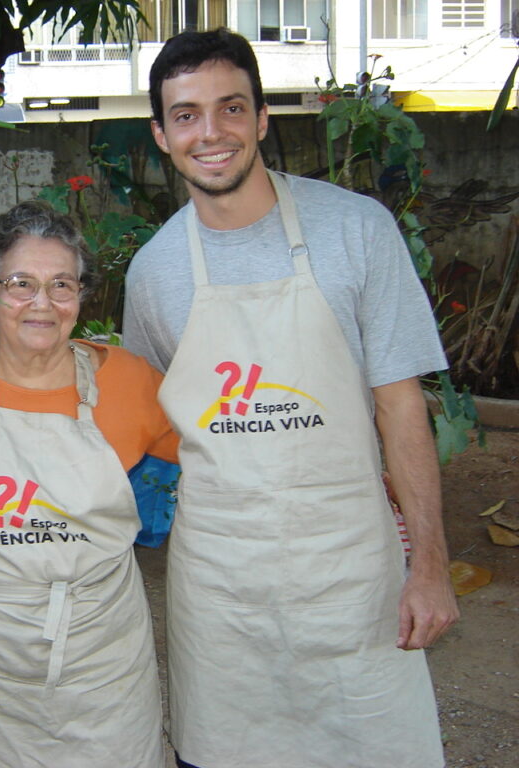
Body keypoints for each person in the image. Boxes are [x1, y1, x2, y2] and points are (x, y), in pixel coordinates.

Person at [123, 29, 459, 768]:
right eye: (186, 115)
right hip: (222, 589)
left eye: (230, 108)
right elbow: (147, 424)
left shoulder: (357, 231)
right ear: (160, 135)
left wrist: (429, 566)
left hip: (350, 574)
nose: (210, 133)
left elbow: (401, 406)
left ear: (262, 117)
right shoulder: (154, 274)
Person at [0, 200, 178, 767]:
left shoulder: (131, 384)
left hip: (103, 663)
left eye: (62, 285)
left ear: (81, 298)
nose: (42, 303)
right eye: (20, 284)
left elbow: (223, 461)